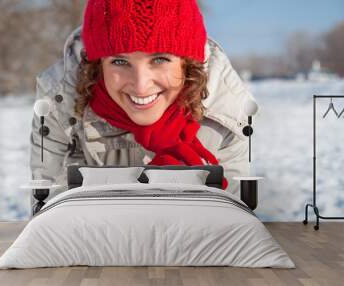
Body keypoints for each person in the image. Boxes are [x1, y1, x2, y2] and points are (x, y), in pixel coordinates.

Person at [29, 0, 258, 201]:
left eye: (159, 59)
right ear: (97, 65)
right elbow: (50, 210)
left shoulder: (225, 112)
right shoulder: (61, 104)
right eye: (119, 62)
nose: (140, 85)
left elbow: (235, 216)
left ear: (186, 63)